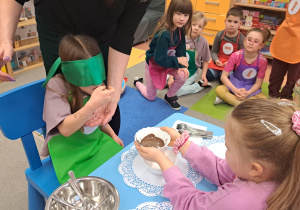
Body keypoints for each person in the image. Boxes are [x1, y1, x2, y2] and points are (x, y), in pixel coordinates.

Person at [0, 0, 151, 135]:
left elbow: (123, 37)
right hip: (58, 30)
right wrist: (5, 39)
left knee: (107, 107)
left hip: (102, 40)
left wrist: (113, 95)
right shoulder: (58, 83)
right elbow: (64, 129)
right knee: (67, 98)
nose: (98, 84)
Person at [135, 98, 300, 209]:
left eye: (228, 147)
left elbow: (190, 204)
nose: (224, 148)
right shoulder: (283, 167)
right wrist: (183, 143)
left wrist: (163, 162)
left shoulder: (236, 201)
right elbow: (224, 171)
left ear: (255, 169)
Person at [42, 35, 124, 184]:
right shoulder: (57, 86)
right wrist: (92, 104)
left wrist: (113, 135)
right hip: (70, 154)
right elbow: (65, 129)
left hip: (96, 143)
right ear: (73, 73)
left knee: (123, 168)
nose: (99, 83)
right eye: (91, 80)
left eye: (100, 78)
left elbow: (99, 120)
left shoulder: (96, 84)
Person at [133, 0, 193, 110]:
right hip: (154, 64)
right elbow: (159, 59)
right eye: (178, 14)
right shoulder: (164, 34)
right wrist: (178, 61)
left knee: (183, 75)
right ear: (171, 13)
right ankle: (137, 82)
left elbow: (181, 51)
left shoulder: (180, 30)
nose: (182, 18)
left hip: (168, 63)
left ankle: (169, 96)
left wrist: (183, 66)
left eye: (185, 15)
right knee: (151, 97)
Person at [214, 28, 271, 106]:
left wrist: (248, 93)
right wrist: (235, 91)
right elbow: (223, 77)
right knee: (219, 89)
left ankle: (233, 101)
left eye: (256, 41)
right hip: (234, 84)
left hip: (250, 88)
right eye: (249, 39)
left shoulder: (263, 61)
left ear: (261, 45)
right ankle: (244, 105)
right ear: (244, 41)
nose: (251, 43)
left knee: (264, 101)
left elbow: (258, 83)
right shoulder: (235, 56)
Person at [167, 11, 212, 97]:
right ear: (188, 24)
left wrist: (203, 75)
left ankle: (198, 86)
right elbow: (173, 57)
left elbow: (206, 60)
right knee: (161, 81)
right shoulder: (180, 37)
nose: (196, 28)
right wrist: (171, 77)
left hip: (191, 72)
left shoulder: (203, 42)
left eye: (200, 26)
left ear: (203, 29)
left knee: (176, 91)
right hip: (176, 68)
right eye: (194, 24)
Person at [268, 0, 300, 100]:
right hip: (284, 37)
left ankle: (285, 95)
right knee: (277, 73)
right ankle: (274, 93)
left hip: (296, 41)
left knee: (293, 76)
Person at [206, 7, 244, 82]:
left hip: (232, 65)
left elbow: (241, 57)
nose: (232, 24)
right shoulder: (220, 35)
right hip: (219, 62)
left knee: (224, 79)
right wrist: (216, 60)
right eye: (229, 21)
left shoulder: (241, 38)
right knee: (208, 76)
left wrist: (231, 63)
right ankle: (219, 73)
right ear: (225, 21)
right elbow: (213, 51)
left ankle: (222, 75)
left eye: (235, 22)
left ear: (240, 23)